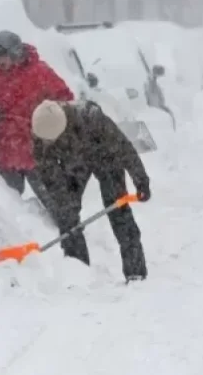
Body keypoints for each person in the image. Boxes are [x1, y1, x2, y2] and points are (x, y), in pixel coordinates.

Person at [30, 99, 151, 283]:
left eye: (49, 141)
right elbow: (49, 175)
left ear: (60, 131)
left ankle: (135, 271)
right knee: (66, 217)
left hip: (106, 158)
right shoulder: (40, 132)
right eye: (43, 140)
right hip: (75, 164)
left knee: (119, 211)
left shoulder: (92, 119)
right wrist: (66, 204)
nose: (44, 143)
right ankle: (78, 271)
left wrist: (141, 180)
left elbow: (124, 148)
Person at [0, 30, 75, 202]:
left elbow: (65, 100)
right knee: (9, 210)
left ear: (15, 53)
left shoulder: (39, 73)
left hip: (38, 152)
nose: (0, 61)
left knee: (57, 206)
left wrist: (49, 120)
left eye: (4, 56)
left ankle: (70, 228)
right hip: (4, 154)